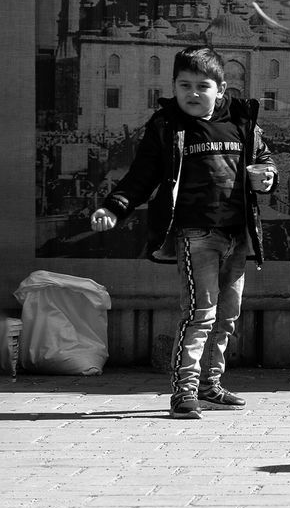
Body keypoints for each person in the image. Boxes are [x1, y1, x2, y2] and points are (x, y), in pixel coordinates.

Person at [90, 46, 277, 419]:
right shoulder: (166, 126)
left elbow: (265, 161)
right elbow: (141, 176)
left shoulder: (243, 122)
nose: (193, 93)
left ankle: (211, 385)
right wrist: (113, 207)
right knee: (199, 313)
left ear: (221, 89)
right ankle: (184, 392)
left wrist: (267, 177)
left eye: (202, 86)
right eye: (184, 85)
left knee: (227, 315)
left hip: (237, 235)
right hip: (195, 235)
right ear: (174, 87)